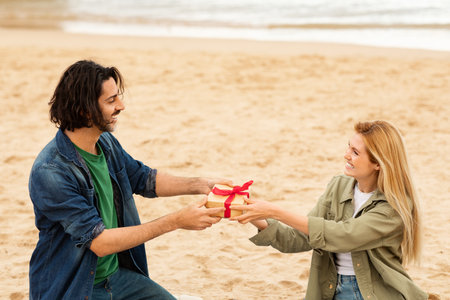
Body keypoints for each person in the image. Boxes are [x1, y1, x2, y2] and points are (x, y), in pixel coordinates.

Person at [28, 60, 230, 300]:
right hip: (75, 287)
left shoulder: (105, 143)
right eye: (111, 100)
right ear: (84, 109)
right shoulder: (51, 171)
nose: (121, 106)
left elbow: (144, 179)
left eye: (118, 97)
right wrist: (176, 220)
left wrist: (201, 185)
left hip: (117, 277)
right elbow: (99, 242)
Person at [231, 121, 428, 300]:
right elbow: (299, 237)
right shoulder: (338, 186)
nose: (346, 155)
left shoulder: (393, 207)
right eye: (348, 147)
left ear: (378, 163)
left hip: (374, 294)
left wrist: (275, 212)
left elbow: (343, 236)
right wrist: (250, 211)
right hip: (329, 287)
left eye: (356, 152)